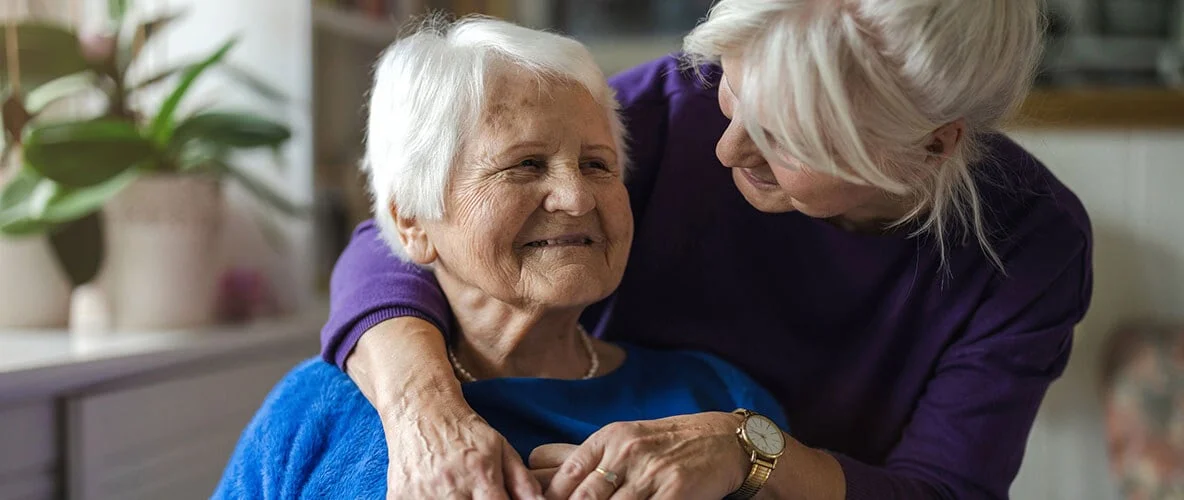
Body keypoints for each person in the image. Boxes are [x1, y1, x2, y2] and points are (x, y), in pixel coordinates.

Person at [323, 1, 1094, 499]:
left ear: (930, 146)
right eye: (733, 91)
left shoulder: (1030, 246)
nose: (726, 149)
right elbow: (409, 233)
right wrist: (425, 412)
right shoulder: (673, 105)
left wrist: (750, 452)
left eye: (787, 136)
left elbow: (943, 492)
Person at [214, 17, 790, 500]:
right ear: (413, 222)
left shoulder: (723, 406)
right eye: (525, 165)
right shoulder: (320, 407)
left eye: (597, 163)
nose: (577, 197)